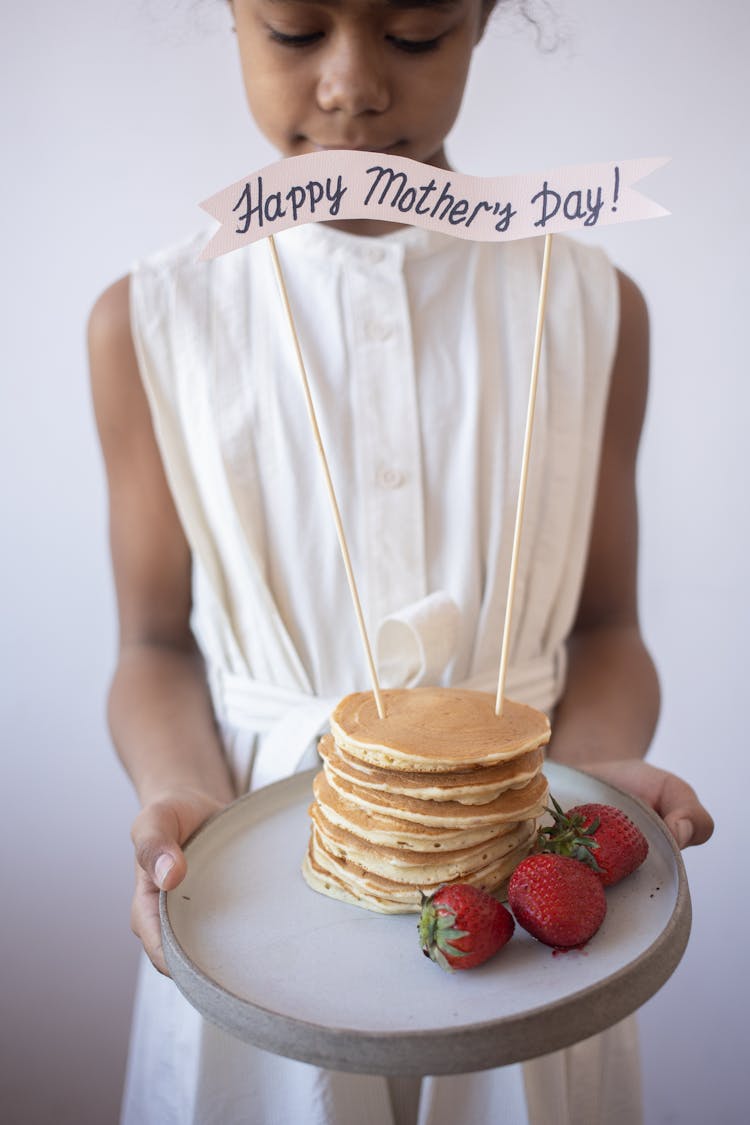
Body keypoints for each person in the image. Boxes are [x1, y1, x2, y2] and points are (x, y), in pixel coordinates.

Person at [88, 1, 714, 1122]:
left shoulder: (586, 304)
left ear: (479, 20)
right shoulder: (151, 320)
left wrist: (590, 772)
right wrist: (180, 791)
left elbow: (608, 627)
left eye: (415, 32)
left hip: (526, 873)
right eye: (292, 29)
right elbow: (152, 639)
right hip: (258, 887)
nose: (352, 86)